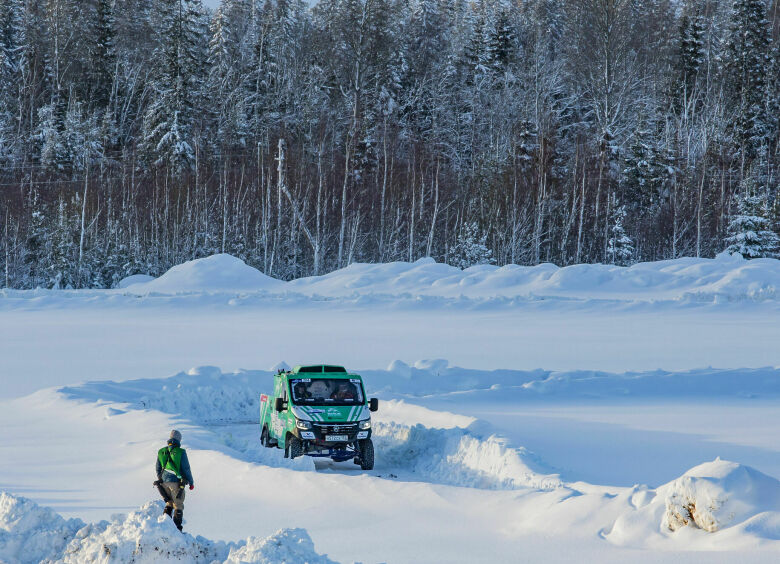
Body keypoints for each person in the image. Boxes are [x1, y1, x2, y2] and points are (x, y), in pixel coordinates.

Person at [155, 430, 194, 532]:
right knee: (178, 504)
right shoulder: (181, 452)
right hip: (176, 482)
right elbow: (186, 468)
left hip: (163, 482)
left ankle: (164, 528)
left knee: (169, 503)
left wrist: (162, 479)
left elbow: (158, 468)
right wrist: (191, 482)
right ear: (179, 440)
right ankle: (177, 530)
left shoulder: (161, 451)